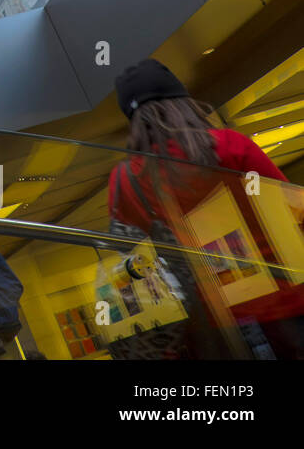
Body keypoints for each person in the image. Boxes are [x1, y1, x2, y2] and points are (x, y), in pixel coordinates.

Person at [107, 58, 304, 359]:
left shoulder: (125, 181)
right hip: (288, 302)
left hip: (215, 325)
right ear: (182, 102)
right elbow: (295, 211)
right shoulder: (230, 146)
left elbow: (131, 260)